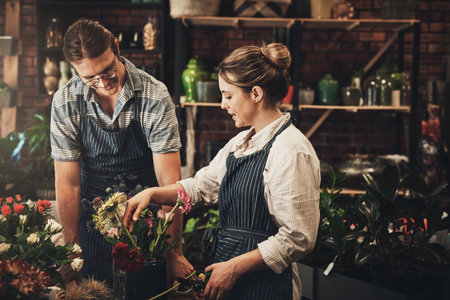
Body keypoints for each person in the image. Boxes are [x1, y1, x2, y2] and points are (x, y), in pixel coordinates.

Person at [124, 43, 320, 300]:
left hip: (267, 288)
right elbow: (199, 188)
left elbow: (298, 237)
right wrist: (152, 194)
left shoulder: (291, 150)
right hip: (229, 280)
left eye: (228, 96)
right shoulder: (240, 143)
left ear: (256, 93)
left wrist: (235, 268)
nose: (222, 105)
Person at [50, 18, 193, 285]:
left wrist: (173, 252)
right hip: (92, 226)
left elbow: (169, 183)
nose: (103, 83)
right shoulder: (66, 101)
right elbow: (68, 183)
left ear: (116, 47)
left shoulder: (154, 96)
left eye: (107, 71)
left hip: (147, 224)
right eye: (90, 78)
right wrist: (72, 252)